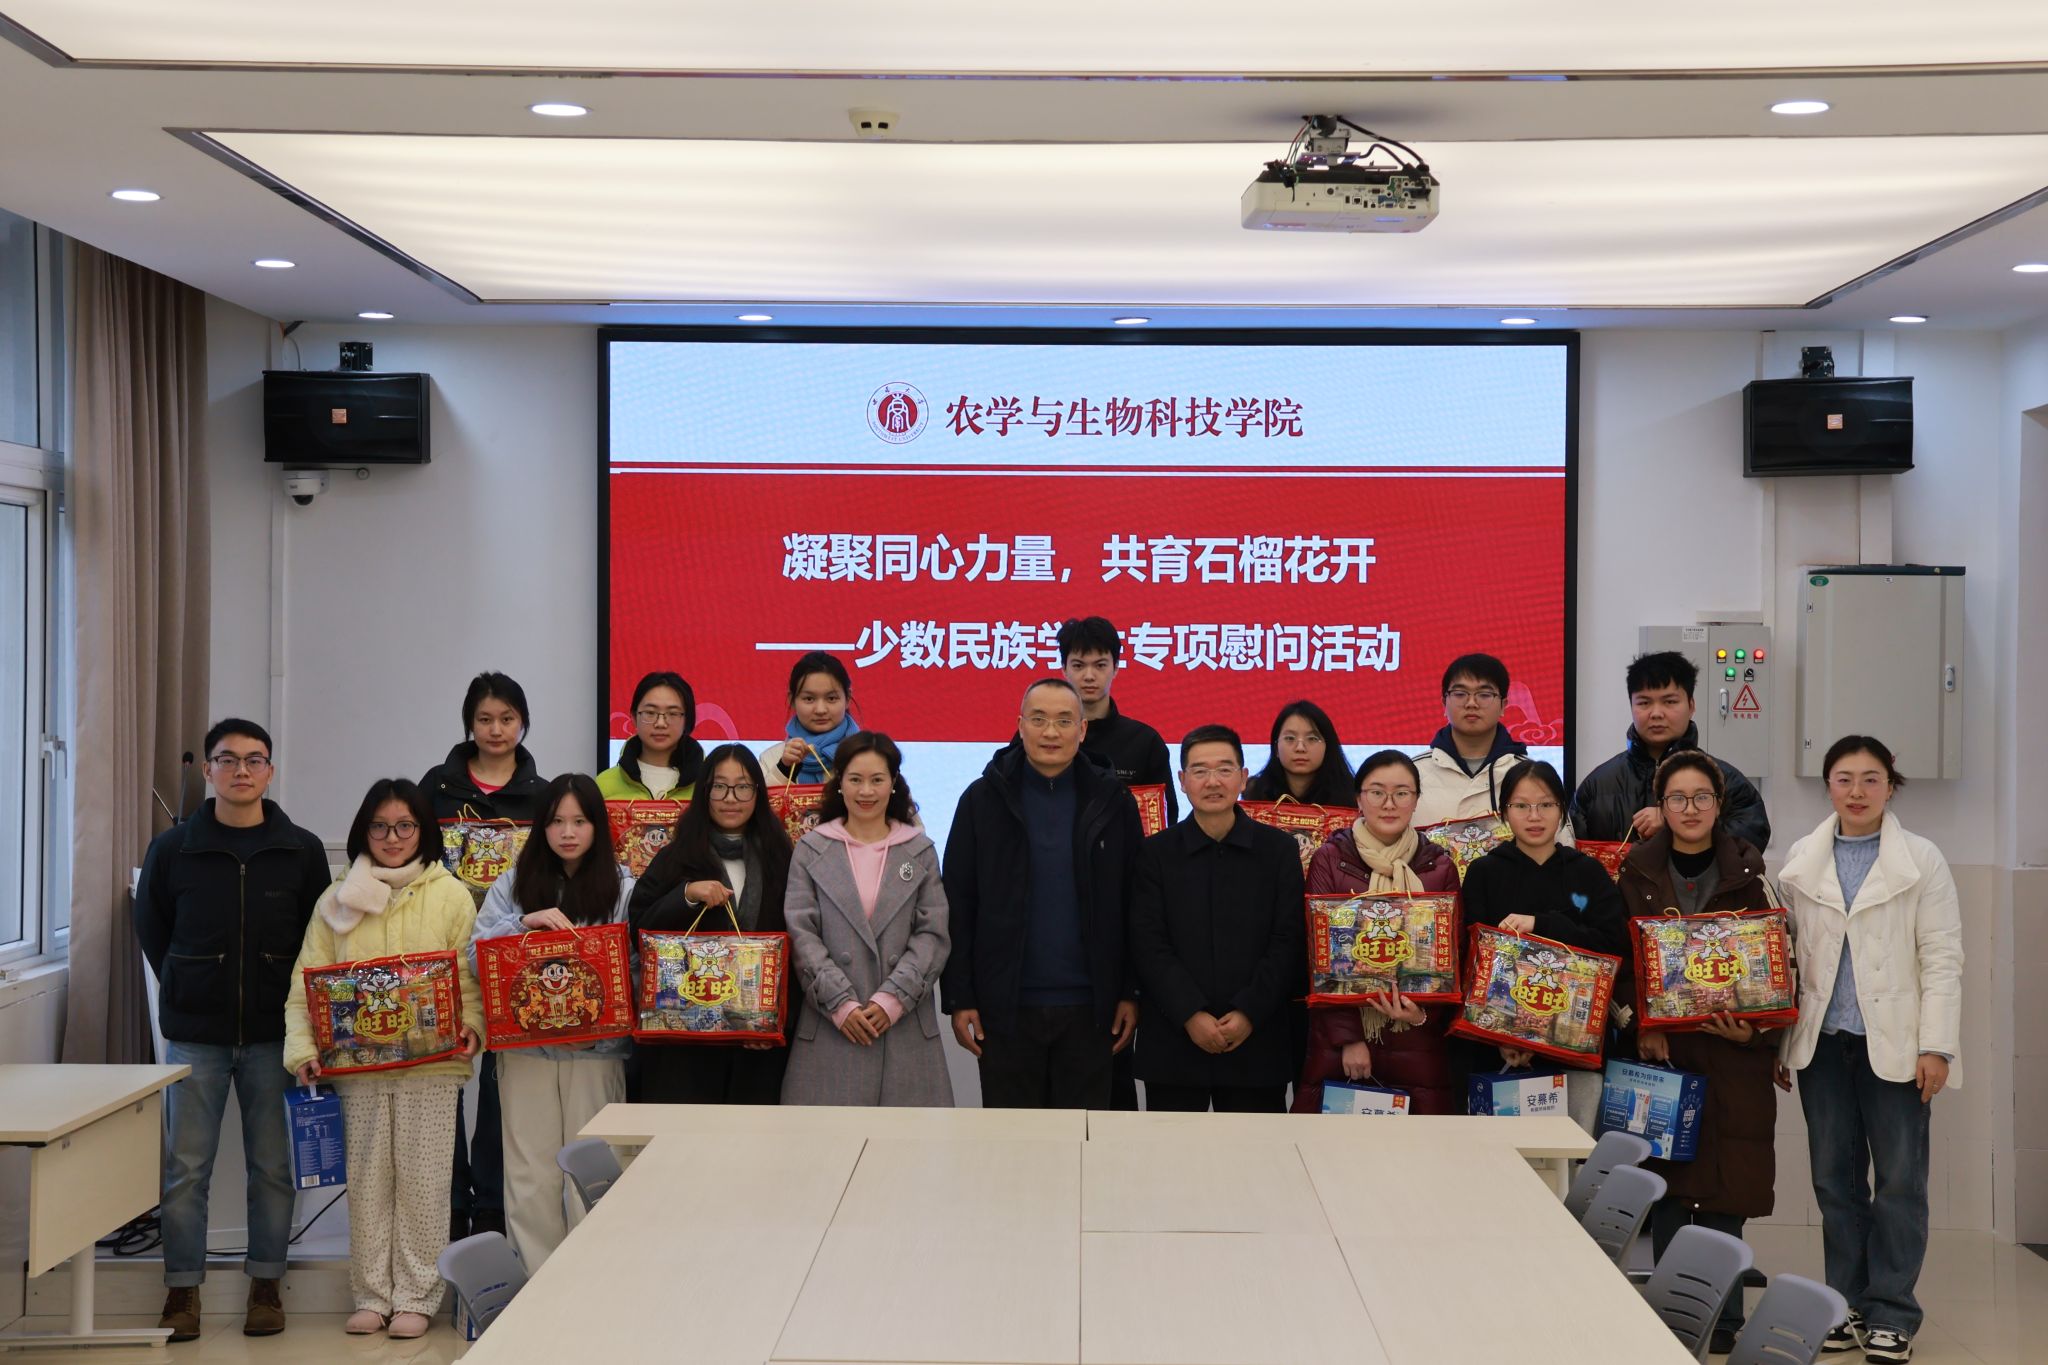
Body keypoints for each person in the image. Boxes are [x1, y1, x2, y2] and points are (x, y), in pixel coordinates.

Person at [131, 719, 330, 1343]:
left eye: (254, 759)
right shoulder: (173, 849)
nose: (241, 770)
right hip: (196, 1034)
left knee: (272, 1166)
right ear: (209, 769)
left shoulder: (301, 849)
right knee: (186, 1168)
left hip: (276, 1034)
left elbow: (319, 940)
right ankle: (182, 1291)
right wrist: (189, 980)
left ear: (270, 770)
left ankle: (266, 1285)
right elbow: (153, 930)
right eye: (228, 759)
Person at [1777, 736, 1962, 1364]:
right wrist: (1780, 1040)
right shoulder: (1801, 858)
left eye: (1871, 779)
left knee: (1901, 1182)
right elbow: (1788, 959)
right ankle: (1846, 1304)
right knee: (1834, 1181)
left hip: (1898, 1045)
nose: (1857, 792)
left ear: (1891, 785)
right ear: (1828, 785)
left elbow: (1943, 958)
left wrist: (1937, 1046)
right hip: (1824, 1045)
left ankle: (1892, 1313)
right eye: (1844, 779)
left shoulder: (1922, 859)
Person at [284, 779, 485, 1340]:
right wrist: (303, 1049)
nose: (392, 838)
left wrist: (472, 1026)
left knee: (424, 1184)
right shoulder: (336, 898)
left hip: (432, 1069)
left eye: (404, 826)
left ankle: (417, 1297)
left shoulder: (451, 895)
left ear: (423, 830)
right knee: (368, 1183)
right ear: (363, 831)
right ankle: (372, 1296)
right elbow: (306, 983)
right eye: (379, 826)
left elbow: (468, 979)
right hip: (357, 1069)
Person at [1619, 753, 1779, 1355]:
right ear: (1660, 807)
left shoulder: (1753, 874)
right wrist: (1642, 1025)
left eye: (1701, 797)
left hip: (1734, 1055)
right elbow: (1620, 961)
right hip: (1667, 1054)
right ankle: (1671, 1315)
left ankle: (1727, 1317)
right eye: (1677, 798)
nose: (1690, 809)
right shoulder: (1635, 872)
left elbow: (1780, 968)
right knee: (1666, 1183)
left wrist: (1754, 1033)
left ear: (1719, 804)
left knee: (1728, 1188)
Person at [940, 679, 1144, 1109]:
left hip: (1092, 1008)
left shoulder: (1114, 801)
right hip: (1005, 1007)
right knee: (1012, 1142)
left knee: (1084, 1141)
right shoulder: (981, 800)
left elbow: (1133, 903)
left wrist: (1130, 990)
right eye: (1039, 719)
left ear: (1082, 730)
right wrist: (960, 996)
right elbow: (958, 903)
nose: (1051, 732)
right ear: (1020, 726)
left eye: (1064, 721)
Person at [467, 774, 633, 1273]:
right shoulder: (512, 884)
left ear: (598, 826)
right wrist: (522, 924)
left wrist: (597, 1019)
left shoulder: (624, 887)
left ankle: (595, 1280)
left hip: (596, 1054)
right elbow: (476, 959)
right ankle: (539, 1284)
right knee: (530, 1175)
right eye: (557, 821)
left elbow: (638, 967)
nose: (567, 832)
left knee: (596, 1169)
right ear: (541, 827)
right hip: (525, 1054)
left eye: (580, 821)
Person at [419, 671, 548, 1242]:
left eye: (507, 719)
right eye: (485, 719)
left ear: (523, 723)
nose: (496, 730)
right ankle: (449, 1202)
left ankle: (492, 1205)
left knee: (500, 1086)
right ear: (469, 724)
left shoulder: (543, 795)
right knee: (444, 1076)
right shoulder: (436, 788)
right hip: (443, 952)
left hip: (511, 955)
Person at [1128, 725, 1306, 1113]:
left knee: (1257, 1151)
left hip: (1257, 1041)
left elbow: (1288, 940)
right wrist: (1190, 1014)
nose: (1213, 782)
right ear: (1182, 781)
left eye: (1225, 769)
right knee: (1171, 1150)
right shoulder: (1155, 853)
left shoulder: (1278, 850)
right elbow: (1148, 943)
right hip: (1174, 1041)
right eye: (1200, 771)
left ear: (1243, 777)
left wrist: (1248, 1012)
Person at [780, 732, 954, 1106]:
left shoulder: (919, 850)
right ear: (839, 782)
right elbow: (802, 934)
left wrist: (892, 1000)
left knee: (908, 1142)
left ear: (894, 783)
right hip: (831, 1029)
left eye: (877, 779)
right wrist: (841, 1004)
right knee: (824, 1142)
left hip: (904, 1031)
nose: (866, 791)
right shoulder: (811, 849)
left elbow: (932, 934)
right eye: (855, 779)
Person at [1459, 760, 1628, 1129]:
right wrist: (1502, 1037)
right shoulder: (1484, 873)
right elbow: (1471, 962)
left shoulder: (1588, 873)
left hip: (1574, 1048)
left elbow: (1612, 948)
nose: (1534, 816)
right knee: (1499, 1156)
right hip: (1498, 1051)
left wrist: (1542, 924)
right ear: (1503, 812)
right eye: (1521, 805)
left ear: (1562, 810)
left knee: (1571, 1156)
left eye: (1546, 804)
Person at [1293, 750, 1462, 1115]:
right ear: (1359, 798)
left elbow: (1452, 955)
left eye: (1401, 793)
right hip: (1342, 1047)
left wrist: (1420, 1015)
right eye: (1377, 792)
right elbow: (1315, 955)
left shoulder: (1440, 866)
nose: (1389, 803)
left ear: (1416, 800)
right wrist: (1349, 1039)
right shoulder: (1330, 859)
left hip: (1417, 1042)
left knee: (1419, 1147)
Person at [628, 745, 796, 1103]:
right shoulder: (675, 857)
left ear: (758, 793)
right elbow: (638, 928)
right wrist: (686, 895)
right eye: (719, 786)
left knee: (753, 1136)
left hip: (757, 1049)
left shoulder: (782, 858)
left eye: (743, 787)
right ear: (704, 792)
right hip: (685, 1048)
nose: (730, 798)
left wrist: (775, 1020)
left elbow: (801, 945)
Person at [1060, 614, 1174, 1111]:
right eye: (1078, 664)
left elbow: (1163, 831)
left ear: (1116, 668)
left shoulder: (1142, 742)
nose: (1089, 675)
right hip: (1056, 911)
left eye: (1100, 664)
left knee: (1113, 1074)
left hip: (1122, 910)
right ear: (1063, 668)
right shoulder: (1041, 739)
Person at [1570, 650, 1771, 852]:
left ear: (1691, 706)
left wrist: (1674, 825)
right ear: (1631, 706)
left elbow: (1750, 845)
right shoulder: (1595, 787)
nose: (1656, 713)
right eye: (1644, 703)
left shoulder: (1728, 782)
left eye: (1670, 702)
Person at [1412, 654, 1530, 830]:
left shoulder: (1530, 776)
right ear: (1444, 703)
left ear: (1503, 705)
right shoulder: (1412, 774)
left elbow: (1558, 842)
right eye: (1460, 694)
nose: (1471, 703)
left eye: (1484, 694)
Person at [597, 670, 704, 801]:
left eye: (672, 713)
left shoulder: (709, 784)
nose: (660, 723)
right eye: (650, 713)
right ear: (634, 717)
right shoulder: (604, 785)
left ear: (687, 720)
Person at [762, 651, 858, 787]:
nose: (820, 710)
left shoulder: (867, 754)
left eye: (831, 698)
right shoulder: (771, 758)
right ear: (792, 700)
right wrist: (784, 769)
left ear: (847, 698)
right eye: (809, 699)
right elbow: (762, 800)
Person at [1244, 699, 1355, 807]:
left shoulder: (1354, 797)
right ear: (1276, 748)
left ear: (1328, 747)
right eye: (1290, 738)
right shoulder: (1254, 794)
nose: (1300, 748)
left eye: (1312, 739)